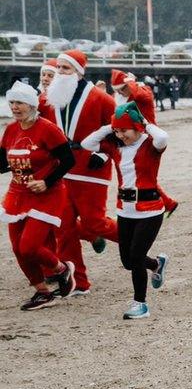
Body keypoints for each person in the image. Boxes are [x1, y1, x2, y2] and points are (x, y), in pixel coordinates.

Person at [80, 102, 170, 319]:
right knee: (128, 261)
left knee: (136, 256)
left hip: (150, 210)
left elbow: (163, 138)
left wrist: (145, 124)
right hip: (125, 210)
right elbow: (86, 143)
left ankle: (140, 304)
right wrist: (110, 127)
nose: (121, 135)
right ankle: (157, 264)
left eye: (124, 130)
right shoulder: (114, 146)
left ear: (137, 127)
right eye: (117, 131)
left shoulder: (150, 145)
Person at [39, 50, 117, 296]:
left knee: (95, 223)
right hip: (62, 170)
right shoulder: (51, 99)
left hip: (90, 171)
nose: (59, 73)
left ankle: (135, 241)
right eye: (58, 68)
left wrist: (103, 154)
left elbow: (117, 131)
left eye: (65, 68)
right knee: (64, 227)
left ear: (79, 71)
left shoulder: (101, 99)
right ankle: (79, 283)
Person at [1, 81, 77, 310]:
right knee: (17, 248)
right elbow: (3, 163)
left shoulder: (47, 128)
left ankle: (62, 270)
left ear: (32, 105)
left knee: (29, 246)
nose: (15, 107)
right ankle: (42, 292)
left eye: (20, 103)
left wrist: (46, 181)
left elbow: (68, 160)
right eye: (12, 102)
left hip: (47, 194)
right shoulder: (11, 129)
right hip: (17, 194)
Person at [110, 70, 179, 215]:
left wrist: (130, 82)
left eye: (122, 89)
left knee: (144, 175)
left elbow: (140, 95)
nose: (120, 93)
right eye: (117, 91)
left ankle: (168, 203)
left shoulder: (143, 91)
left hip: (147, 138)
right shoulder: (125, 97)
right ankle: (169, 203)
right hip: (132, 138)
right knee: (141, 175)